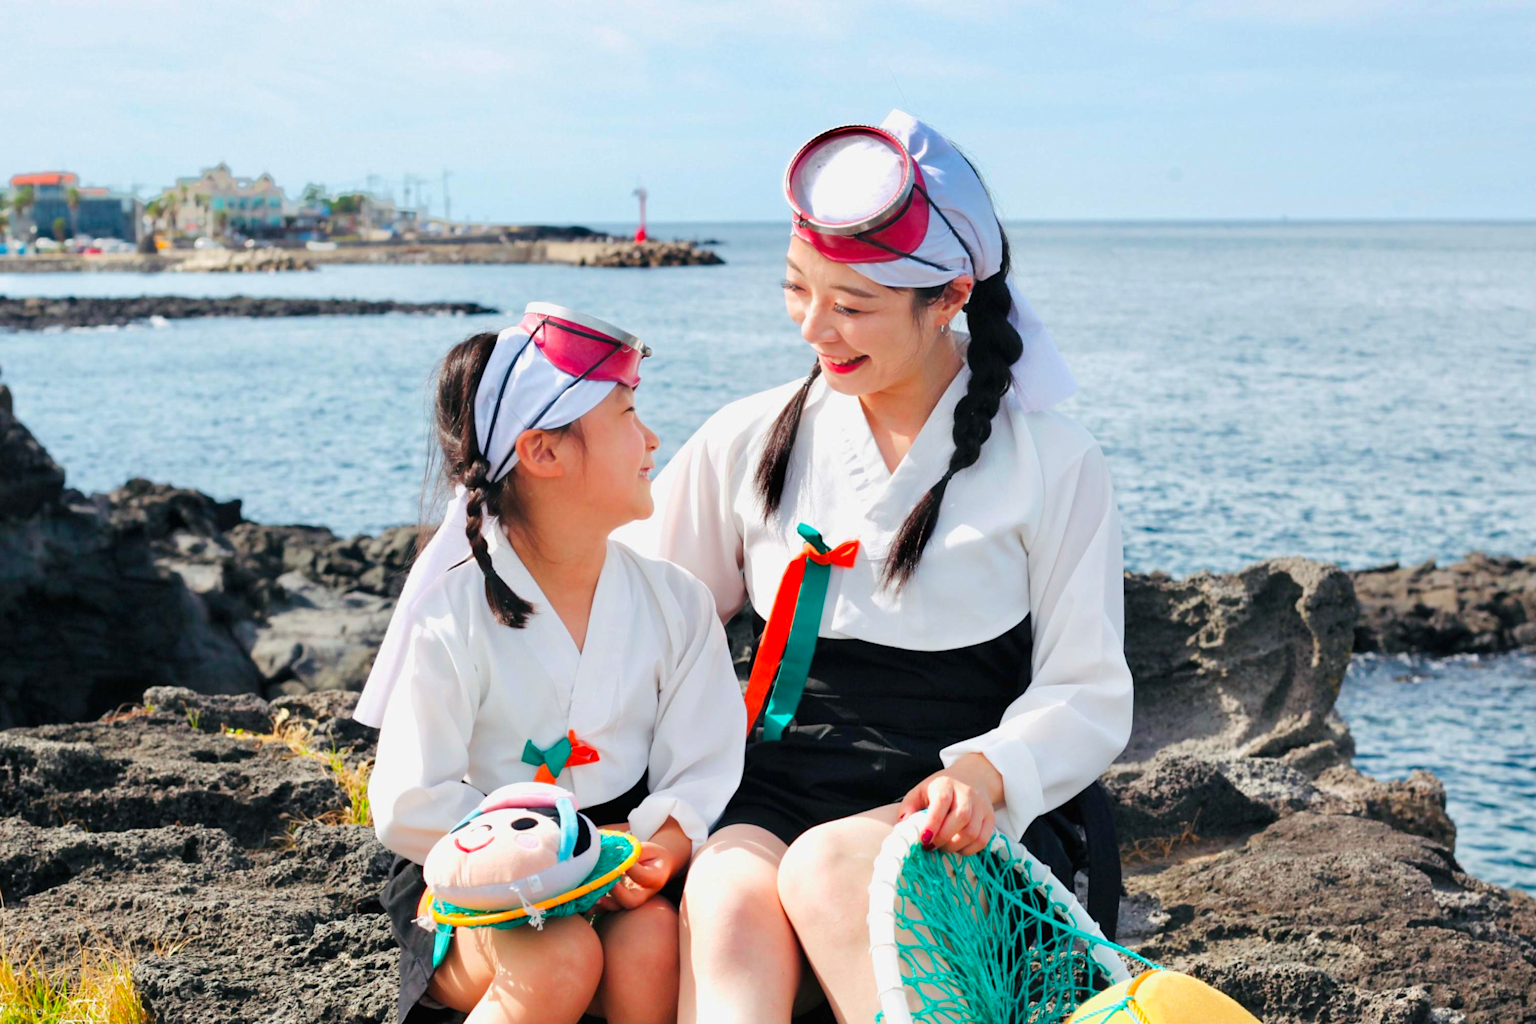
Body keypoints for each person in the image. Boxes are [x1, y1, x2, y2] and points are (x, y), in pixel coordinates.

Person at [615, 111, 1134, 1024]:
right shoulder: (749, 436)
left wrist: (988, 773)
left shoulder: (1053, 461)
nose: (816, 327)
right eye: (796, 290)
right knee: (729, 896)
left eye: (851, 306)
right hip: (775, 783)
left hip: (956, 806)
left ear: (949, 298)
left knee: (829, 869)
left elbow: (1088, 689)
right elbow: (643, 623)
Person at [356, 304, 746, 1024]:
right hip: (478, 872)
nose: (652, 439)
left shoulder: (677, 602)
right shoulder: (453, 612)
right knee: (560, 953)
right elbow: (408, 801)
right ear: (543, 452)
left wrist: (658, 842)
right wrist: (560, 855)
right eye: (628, 414)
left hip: (619, 858)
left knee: (653, 941)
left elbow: (705, 759)